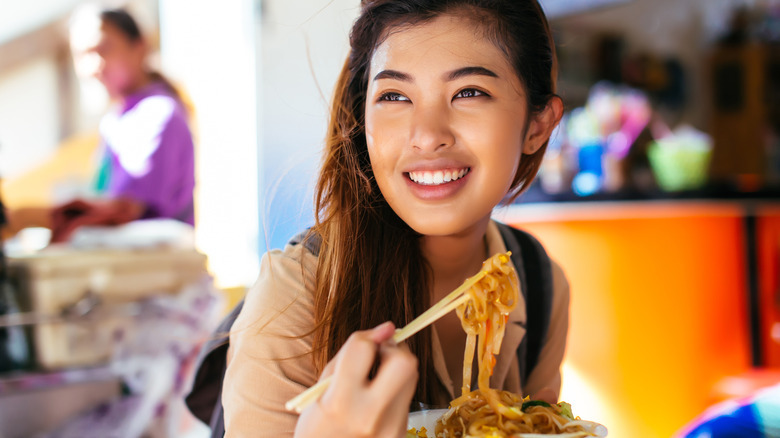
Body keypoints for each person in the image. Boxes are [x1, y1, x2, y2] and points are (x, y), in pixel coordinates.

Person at [221, 1, 566, 437]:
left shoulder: (539, 283)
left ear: (537, 125)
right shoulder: (296, 295)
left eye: (469, 92)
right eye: (395, 96)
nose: (426, 136)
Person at [6, 7, 195, 243]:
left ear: (140, 47)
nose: (92, 66)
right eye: (81, 55)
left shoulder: (158, 114)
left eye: (103, 49)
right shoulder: (117, 120)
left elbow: (127, 211)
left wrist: (29, 217)